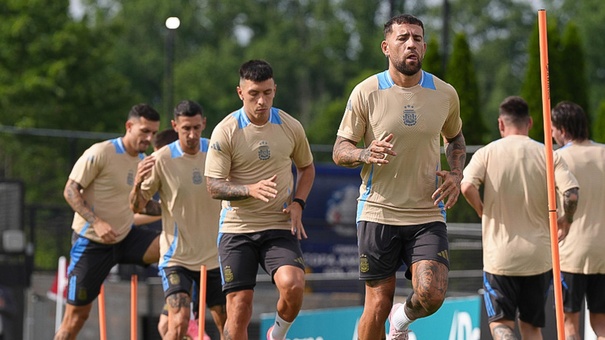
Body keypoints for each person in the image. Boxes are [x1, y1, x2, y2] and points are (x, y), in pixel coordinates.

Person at [332, 13, 467, 340]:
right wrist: (364, 153)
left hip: (427, 211)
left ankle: (400, 324)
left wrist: (457, 173)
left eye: (418, 39)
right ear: (386, 46)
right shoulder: (366, 91)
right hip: (379, 211)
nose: (412, 45)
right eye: (403, 38)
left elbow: (456, 139)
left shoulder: (444, 93)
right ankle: (386, 321)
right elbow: (340, 149)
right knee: (377, 304)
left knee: (432, 294)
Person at [204, 59, 315, 340]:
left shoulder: (290, 126)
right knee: (239, 309)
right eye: (254, 94)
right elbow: (213, 186)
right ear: (240, 93)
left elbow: (307, 168)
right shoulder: (226, 131)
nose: (261, 101)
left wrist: (298, 204)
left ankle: (276, 335)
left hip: (278, 225)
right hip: (237, 229)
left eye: (267, 92)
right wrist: (248, 190)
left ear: (275, 89)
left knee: (293, 285)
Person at [461, 96, 579, 340]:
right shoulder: (548, 154)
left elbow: (466, 186)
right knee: (531, 327)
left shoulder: (487, 153)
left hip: (500, 258)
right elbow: (572, 194)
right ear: (530, 123)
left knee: (501, 324)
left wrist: (481, 209)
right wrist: (566, 220)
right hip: (538, 258)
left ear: (501, 124)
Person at [54, 103, 162, 340]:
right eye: (144, 131)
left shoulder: (143, 162)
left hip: (126, 237)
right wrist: (97, 222)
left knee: (171, 246)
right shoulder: (101, 152)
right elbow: (70, 191)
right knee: (75, 318)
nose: (149, 137)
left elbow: (139, 206)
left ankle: (180, 309)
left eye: (153, 133)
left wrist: (173, 209)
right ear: (129, 126)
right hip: (91, 242)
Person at [130, 100, 227, 340]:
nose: (192, 134)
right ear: (175, 126)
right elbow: (137, 206)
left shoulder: (217, 151)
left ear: (204, 123)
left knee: (228, 324)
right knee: (179, 320)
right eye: (186, 128)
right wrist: (137, 184)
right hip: (177, 257)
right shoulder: (161, 159)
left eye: (196, 127)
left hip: (214, 256)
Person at [551, 101, 605, 340]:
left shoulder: (557, 158)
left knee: (569, 323)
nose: (551, 134)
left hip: (570, 252)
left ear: (562, 129)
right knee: (601, 322)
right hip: (603, 251)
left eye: (553, 129)